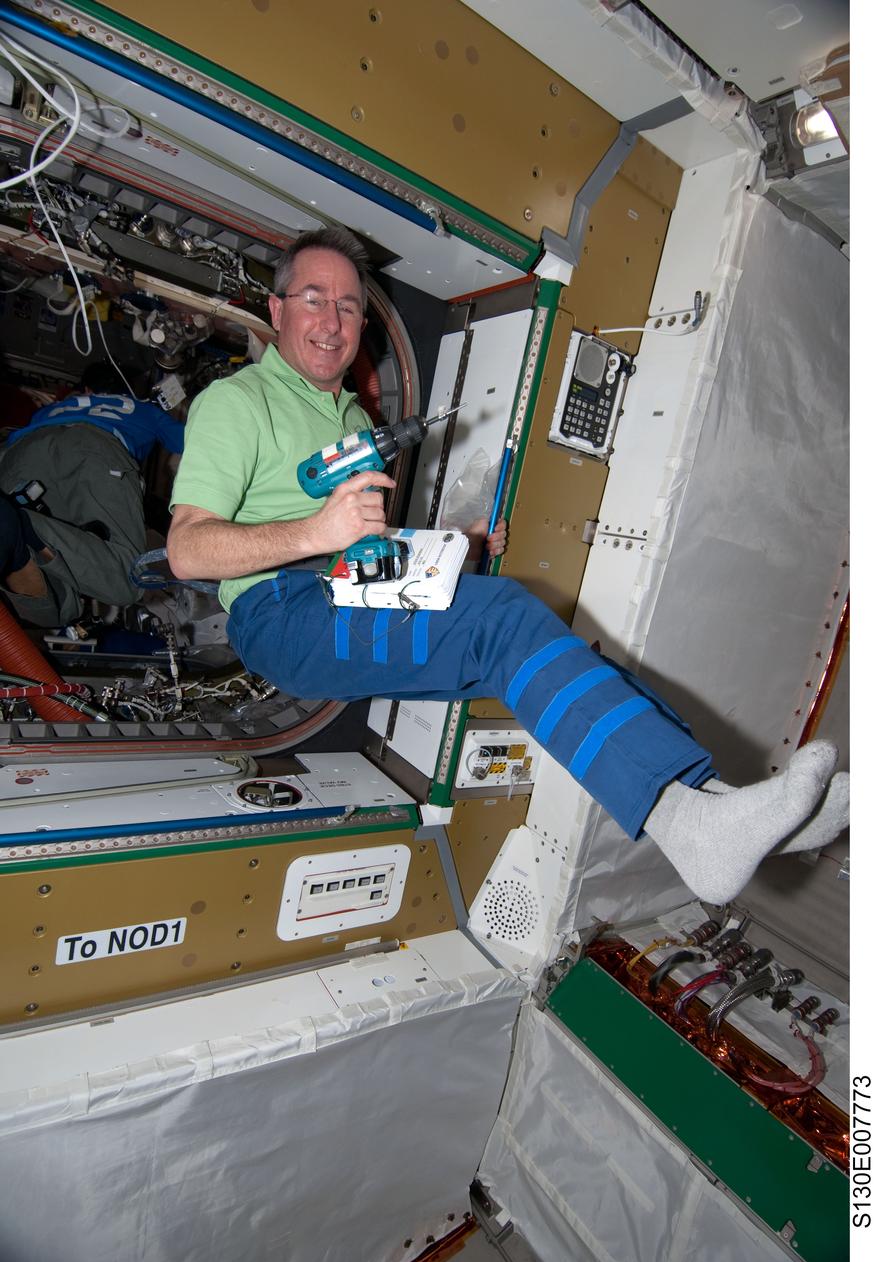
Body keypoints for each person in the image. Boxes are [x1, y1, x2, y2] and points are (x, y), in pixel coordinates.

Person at [167, 228, 848, 903]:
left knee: (555, 653)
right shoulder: (237, 403)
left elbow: (352, 544)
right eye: (313, 299)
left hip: (344, 593)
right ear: (278, 309)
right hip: (280, 613)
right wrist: (318, 528)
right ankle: (692, 822)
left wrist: (444, 548)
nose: (332, 319)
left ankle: (716, 808)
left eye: (349, 306)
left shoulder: (348, 414)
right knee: (504, 620)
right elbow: (188, 548)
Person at [1, 362, 184, 628]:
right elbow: (190, 440)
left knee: (56, 591)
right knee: (126, 580)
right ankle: (21, 525)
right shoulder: (139, 409)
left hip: (20, 455)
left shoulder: (54, 408)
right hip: (92, 448)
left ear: (86, 389)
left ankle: (15, 526)